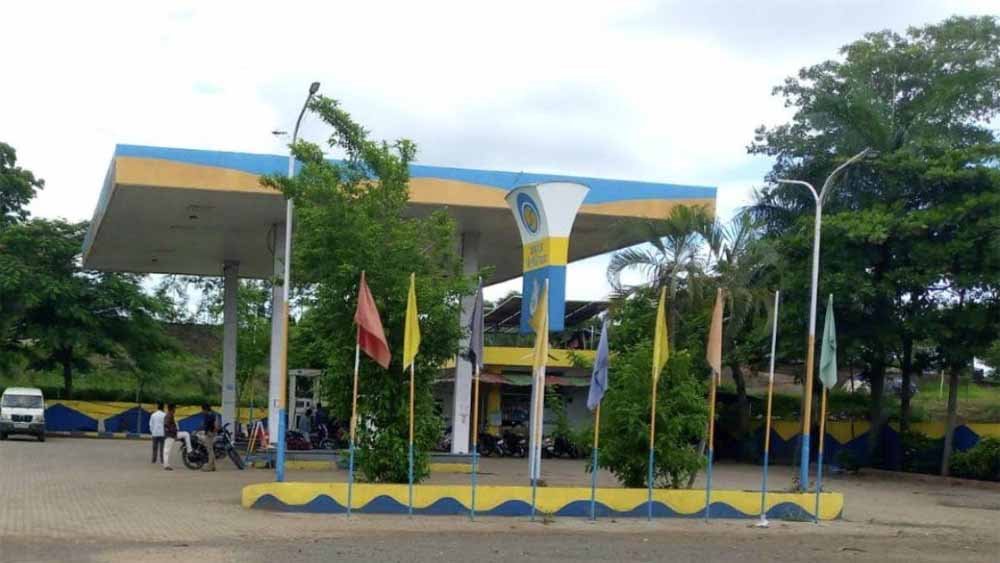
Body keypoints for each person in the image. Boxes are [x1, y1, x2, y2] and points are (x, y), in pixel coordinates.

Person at [162, 404, 192, 471]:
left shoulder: (170, 415)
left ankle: (189, 450)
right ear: (172, 409)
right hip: (170, 435)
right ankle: (166, 465)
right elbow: (166, 425)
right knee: (166, 451)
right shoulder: (168, 415)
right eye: (174, 408)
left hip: (173, 434)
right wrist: (174, 432)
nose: (175, 410)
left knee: (186, 434)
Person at [199, 404, 219, 472]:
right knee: (211, 450)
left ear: (205, 409)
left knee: (210, 451)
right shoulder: (213, 413)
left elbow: (206, 425)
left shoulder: (208, 415)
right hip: (213, 433)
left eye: (202, 410)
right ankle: (213, 466)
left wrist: (204, 431)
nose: (202, 411)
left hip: (209, 434)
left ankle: (209, 467)